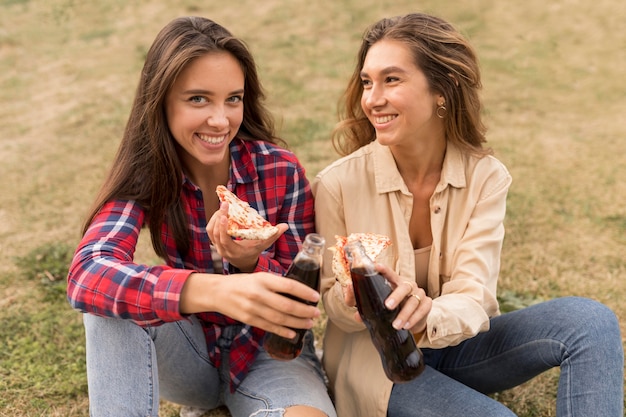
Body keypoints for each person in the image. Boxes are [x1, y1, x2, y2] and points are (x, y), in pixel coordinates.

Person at [312, 12, 624, 417]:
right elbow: (330, 304)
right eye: (368, 82)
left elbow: (474, 292)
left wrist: (428, 313)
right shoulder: (337, 184)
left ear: (441, 89)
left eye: (392, 79)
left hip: (455, 345)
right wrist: (356, 298)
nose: (372, 98)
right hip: (378, 364)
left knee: (590, 321)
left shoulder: (485, 177)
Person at [66, 16, 336, 417]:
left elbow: (299, 306)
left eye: (233, 98)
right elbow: (88, 273)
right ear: (161, 103)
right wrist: (211, 291)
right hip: (191, 355)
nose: (221, 120)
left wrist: (249, 264)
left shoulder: (279, 169)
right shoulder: (148, 176)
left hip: (274, 356)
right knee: (107, 310)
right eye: (198, 99)